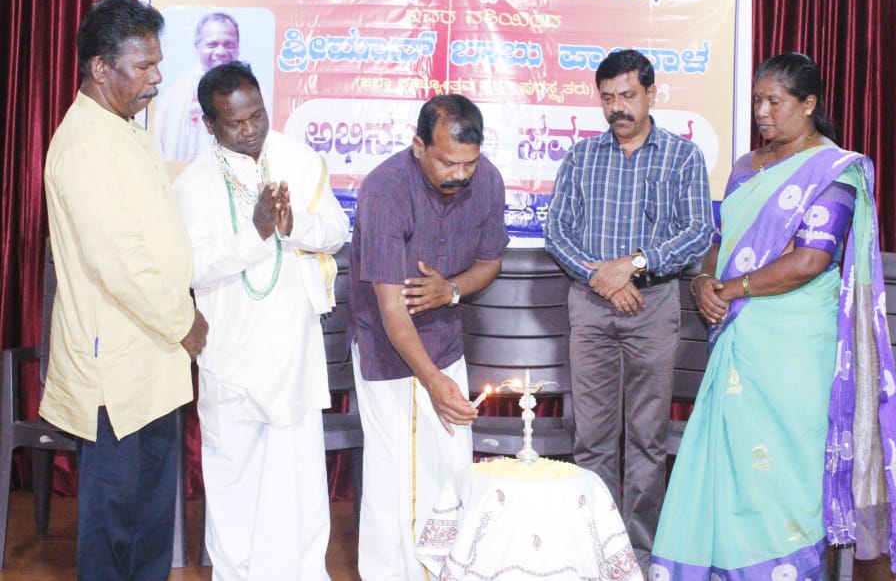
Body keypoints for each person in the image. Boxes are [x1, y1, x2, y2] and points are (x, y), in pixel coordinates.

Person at [650, 52, 896, 578]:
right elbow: (721, 243)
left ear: (808, 104)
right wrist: (702, 282)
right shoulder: (747, 166)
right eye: (757, 101)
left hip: (794, 343)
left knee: (785, 464)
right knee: (733, 463)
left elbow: (811, 259)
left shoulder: (832, 169)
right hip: (739, 337)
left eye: (775, 101)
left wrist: (731, 288)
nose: (762, 112)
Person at [41, 0, 209, 580]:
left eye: (158, 64)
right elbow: (119, 262)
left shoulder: (122, 131)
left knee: (148, 523)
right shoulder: (84, 145)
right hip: (114, 369)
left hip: (151, 360)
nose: (156, 78)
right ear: (100, 68)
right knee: (115, 525)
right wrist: (184, 320)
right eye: (143, 66)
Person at [172, 61, 349, 580]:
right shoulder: (193, 185)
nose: (250, 130)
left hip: (293, 346)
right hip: (231, 351)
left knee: (298, 475)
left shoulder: (299, 159)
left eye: (257, 115)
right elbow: (193, 267)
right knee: (234, 476)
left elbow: (336, 230)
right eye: (235, 122)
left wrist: (294, 225)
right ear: (210, 125)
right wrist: (256, 234)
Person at [544, 49, 715, 571]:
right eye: (607, 98)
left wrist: (634, 264)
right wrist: (603, 279)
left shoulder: (683, 156)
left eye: (627, 95)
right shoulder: (581, 157)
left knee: (646, 438)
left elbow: (699, 232)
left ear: (650, 94)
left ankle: (639, 553)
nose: (617, 107)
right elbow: (556, 232)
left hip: (653, 305)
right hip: (590, 305)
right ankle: (593, 548)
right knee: (592, 438)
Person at [348, 94, 509, 580]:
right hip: (385, 352)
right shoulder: (385, 191)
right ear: (418, 146)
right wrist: (433, 381)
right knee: (394, 478)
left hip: (445, 343)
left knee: (450, 470)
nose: (460, 174)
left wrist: (452, 289)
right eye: (447, 163)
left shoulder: (487, 180)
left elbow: (489, 263)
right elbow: (392, 307)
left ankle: (446, 571)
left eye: (469, 163)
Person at [154, 11, 239, 162]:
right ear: (197, 47)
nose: (221, 51)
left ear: (238, 46)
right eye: (212, 44)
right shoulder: (177, 94)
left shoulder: (253, 92)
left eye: (229, 44)